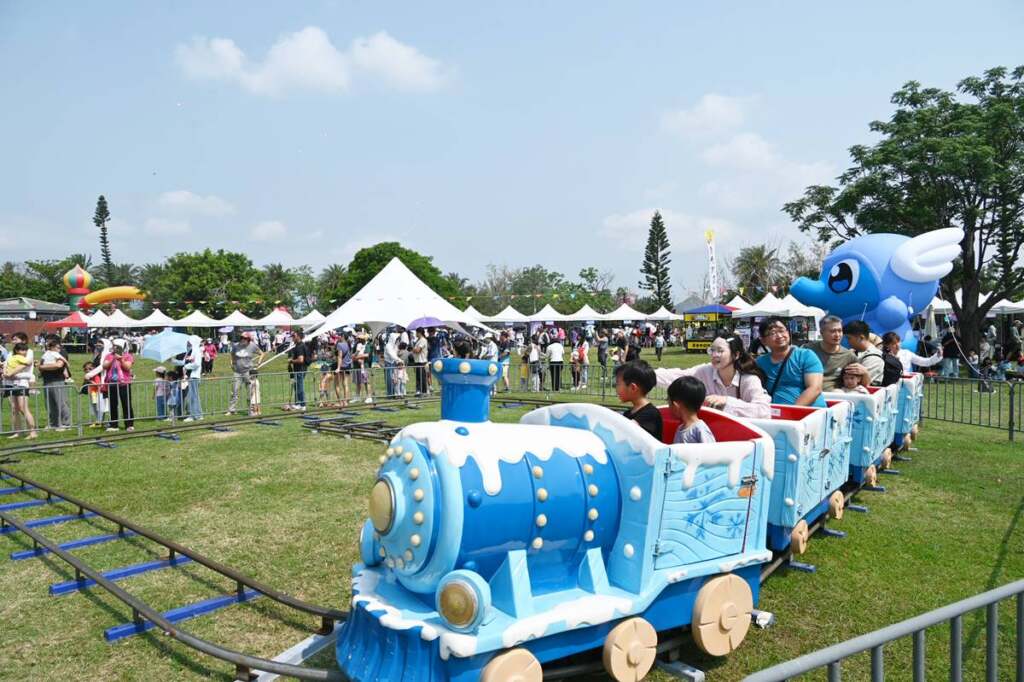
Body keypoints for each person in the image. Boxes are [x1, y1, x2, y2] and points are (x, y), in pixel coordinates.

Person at [655, 336, 772, 418]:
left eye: (720, 351)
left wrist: (726, 401)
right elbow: (677, 376)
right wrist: (646, 374)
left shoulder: (749, 380)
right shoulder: (705, 371)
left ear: (736, 355)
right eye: (712, 350)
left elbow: (763, 411)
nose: (715, 355)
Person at [755, 317, 826, 407]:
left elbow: (815, 388)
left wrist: (792, 412)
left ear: (788, 333)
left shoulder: (806, 355)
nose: (779, 336)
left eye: (782, 331)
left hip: (810, 414)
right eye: (772, 333)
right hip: (776, 415)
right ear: (763, 341)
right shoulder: (760, 363)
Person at [803, 316, 869, 391]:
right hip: (808, 395)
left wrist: (865, 373)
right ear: (822, 332)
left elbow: (863, 384)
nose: (837, 335)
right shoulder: (807, 350)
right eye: (832, 331)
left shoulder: (849, 356)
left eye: (840, 331)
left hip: (835, 397)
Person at [615, 360, 662, 440]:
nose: (616, 388)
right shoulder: (628, 413)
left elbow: (624, 431)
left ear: (633, 388)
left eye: (617, 384)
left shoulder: (650, 414)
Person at [667, 376, 716, 444]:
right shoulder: (680, 428)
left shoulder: (699, 429)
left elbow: (711, 451)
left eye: (668, 402)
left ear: (676, 405)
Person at [4, 342, 37, 439]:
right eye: (22, 350)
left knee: (23, 408)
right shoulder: (13, 357)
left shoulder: (25, 357)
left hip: (22, 384)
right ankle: (18, 431)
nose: (25, 352)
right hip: (13, 384)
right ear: (17, 351)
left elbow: (28, 363)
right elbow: (6, 366)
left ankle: (33, 432)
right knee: (15, 409)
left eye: (25, 350)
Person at [38, 338, 72, 430]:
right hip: (47, 380)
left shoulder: (61, 352)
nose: (58, 348)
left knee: (61, 402)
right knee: (49, 403)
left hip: (57, 380)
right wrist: (41, 367)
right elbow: (40, 363)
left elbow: (58, 365)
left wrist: (42, 367)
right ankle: (53, 423)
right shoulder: (46, 353)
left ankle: (66, 423)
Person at [226, 333, 262, 416]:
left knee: (250, 392)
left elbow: (262, 353)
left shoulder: (252, 346)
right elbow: (232, 355)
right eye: (241, 337)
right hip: (237, 372)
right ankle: (232, 410)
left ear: (248, 339)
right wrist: (232, 363)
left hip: (248, 371)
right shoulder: (236, 346)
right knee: (234, 391)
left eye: (244, 338)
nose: (242, 339)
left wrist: (258, 362)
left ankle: (251, 410)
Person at [103, 339, 135, 431]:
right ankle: (114, 425)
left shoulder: (128, 356)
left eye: (116, 346)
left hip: (124, 383)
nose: (114, 347)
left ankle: (129, 424)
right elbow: (104, 366)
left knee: (126, 404)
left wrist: (121, 359)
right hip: (112, 383)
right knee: (113, 404)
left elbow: (128, 367)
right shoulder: (109, 356)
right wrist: (113, 359)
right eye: (113, 346)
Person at [843, 320, 885, 385]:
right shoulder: (856, 352)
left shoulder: (873, 358)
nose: (848, 342)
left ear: (861, 337)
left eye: (849, 338)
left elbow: (860, 383)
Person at [177, 339, 202, 422]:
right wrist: (172, 361)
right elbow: (183, 362)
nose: (187, 343)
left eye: (189, 341)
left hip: (194, 376)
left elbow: (197, 363)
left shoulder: (196, 351)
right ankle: (198, 415)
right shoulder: (191, 351)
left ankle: (193, 415)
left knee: (193, 396)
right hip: (191, 376)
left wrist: (187, 367)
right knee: (194, 396)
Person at [286, 331, 308, 411]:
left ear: (298, 337)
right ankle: (298, 403)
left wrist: (291, 361)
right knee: (297, 386)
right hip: (300, 369)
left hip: (300, 369)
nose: (293, 338)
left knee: (300, 387)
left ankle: (303, 404)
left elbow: (301, 360)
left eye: (294, 336)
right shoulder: (299, 345)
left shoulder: (299, 346)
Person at [413, 328, 429, 396]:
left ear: (419, 332)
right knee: (418, 378)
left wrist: (412, 349)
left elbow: (418, 350)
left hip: (422, 361)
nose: (416, 334)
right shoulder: (418, 340)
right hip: (417, 361)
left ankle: (424, 391)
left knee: (422, 377)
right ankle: (419, 391)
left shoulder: (423, 340)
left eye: (416, 332)